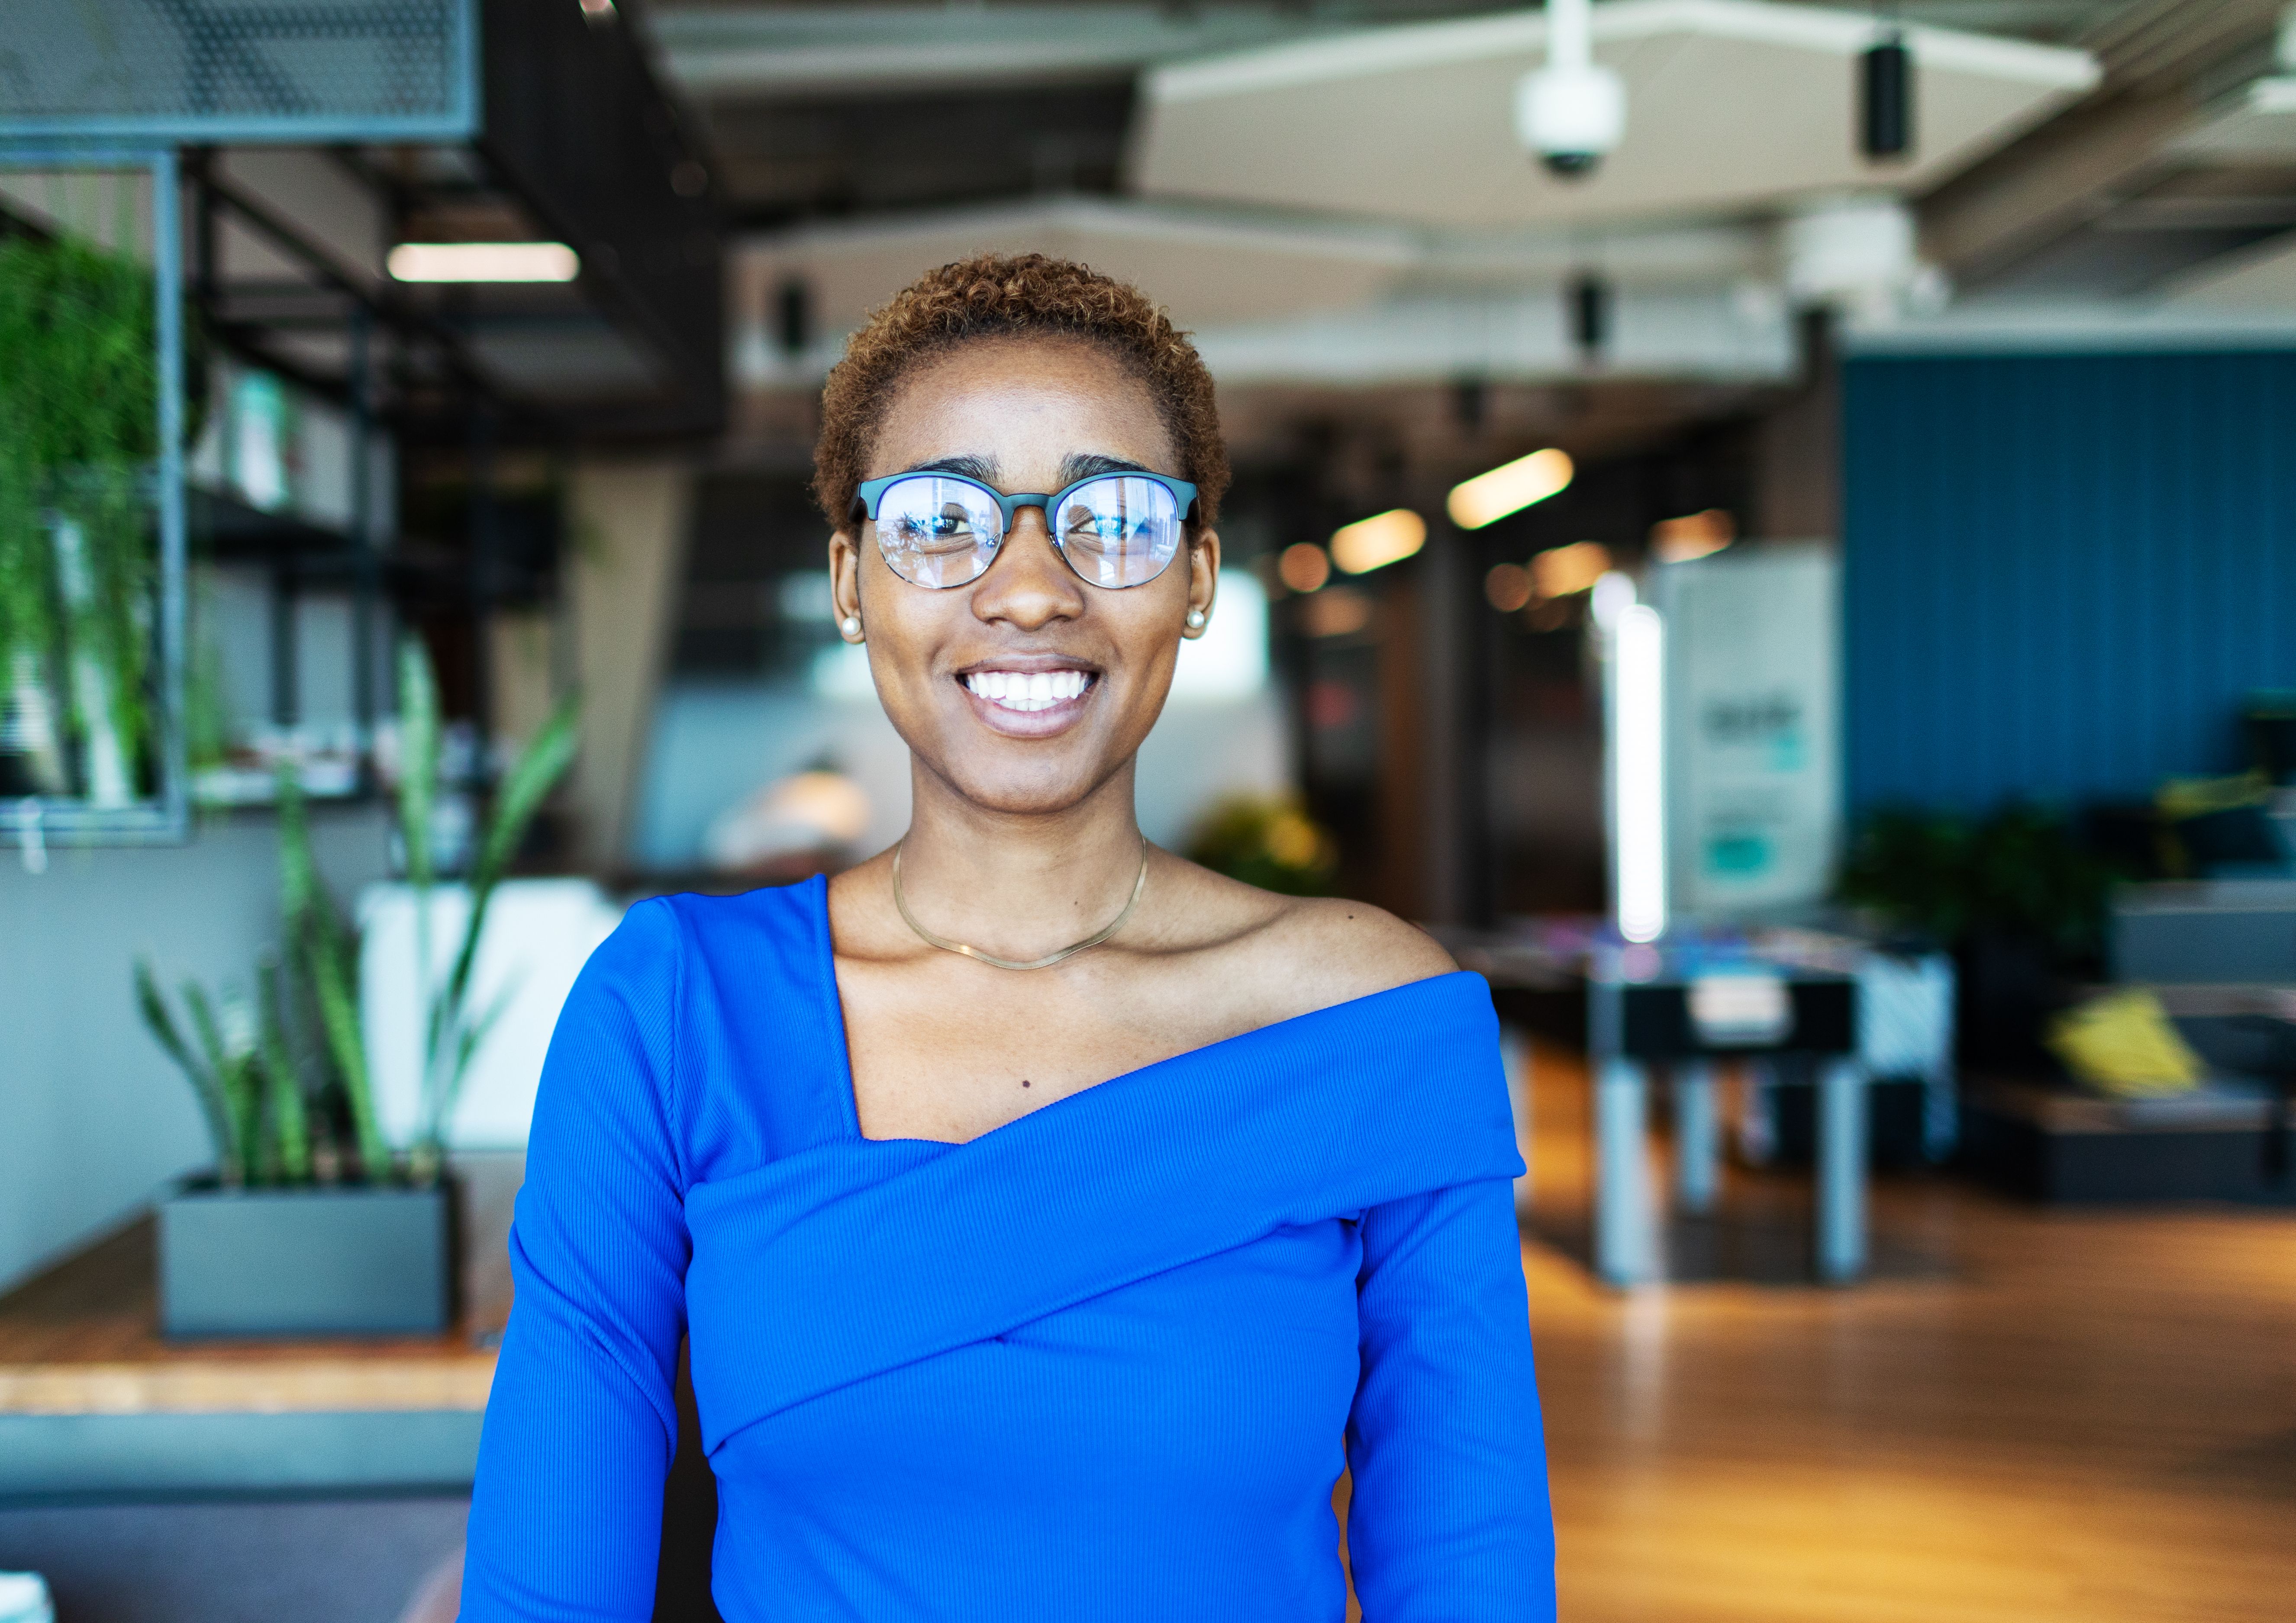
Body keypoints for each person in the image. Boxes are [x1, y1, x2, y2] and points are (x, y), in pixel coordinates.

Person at [461, 254, 1553, 1621]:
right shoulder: (675, 1012)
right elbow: (547, 1584)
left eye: (1111, 518)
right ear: (854, 579)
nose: (1030, 587)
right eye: (939, 520)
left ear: (1197, 577)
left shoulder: (1369, 1016)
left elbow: (1470, 1573)